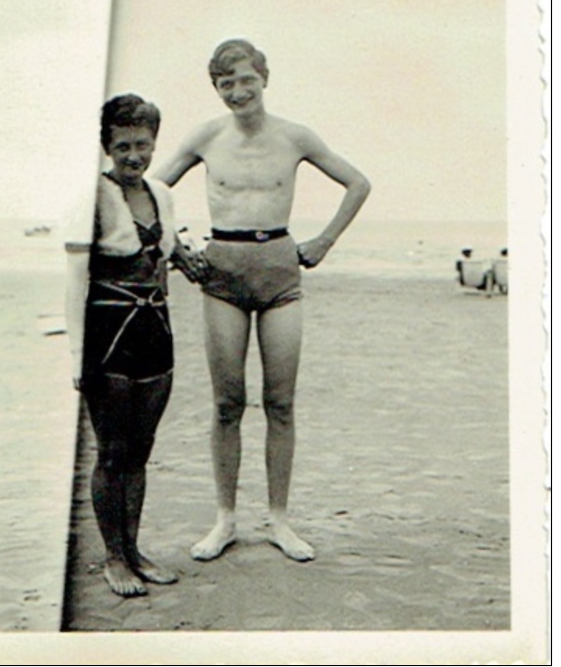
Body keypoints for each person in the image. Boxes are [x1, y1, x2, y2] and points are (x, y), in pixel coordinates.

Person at [155, 39, 371, 563]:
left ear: (265, 78)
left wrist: (323, 242)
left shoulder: (294, 136)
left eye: (245, 79)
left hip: (279, 272)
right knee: (227, 404)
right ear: (216, 88)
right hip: (222, 272)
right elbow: (152, 189)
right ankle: (225, 519)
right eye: (225, 83)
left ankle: (279, 520)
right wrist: (178, 251)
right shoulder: (207, 136)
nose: (237, 91)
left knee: (280, 402)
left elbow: (357, 183)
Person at [65, 94, 179, 597]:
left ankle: (133, 550)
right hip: (107, 338)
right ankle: (113, 558)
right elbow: (74, 283)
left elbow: (163, 263)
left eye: (144, 145)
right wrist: (76, 357)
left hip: (155, 333)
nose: (135, 155)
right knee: (111, 452)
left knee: (141, 451)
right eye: (123, 146)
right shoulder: (88, 196)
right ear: (106, 146)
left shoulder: (161, 193)